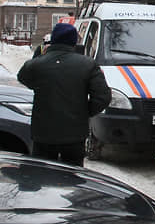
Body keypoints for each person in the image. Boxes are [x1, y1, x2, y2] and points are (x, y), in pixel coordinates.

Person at [17, 22, 110, 166]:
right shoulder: (88, 64)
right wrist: (84, 112)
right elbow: (103, 97)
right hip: (74, 135)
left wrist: (40, 86)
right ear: (74, 41)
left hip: (43, 133)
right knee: (72, 177)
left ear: (53, 39)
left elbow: (23, 77)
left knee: (42, 173)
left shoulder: (37, 64)